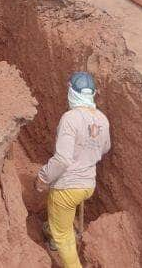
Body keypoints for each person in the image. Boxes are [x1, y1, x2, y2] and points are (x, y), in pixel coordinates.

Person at [35, 72, 111, 268]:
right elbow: (105, 148)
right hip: (87, 185)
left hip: (67, 188)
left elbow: (62, 159)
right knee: (62, 217)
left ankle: (58, 240)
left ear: (72, 92)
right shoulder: (102, 119)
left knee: (64, 237)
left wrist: (43, 178)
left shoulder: (70, 118)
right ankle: (52, 231)